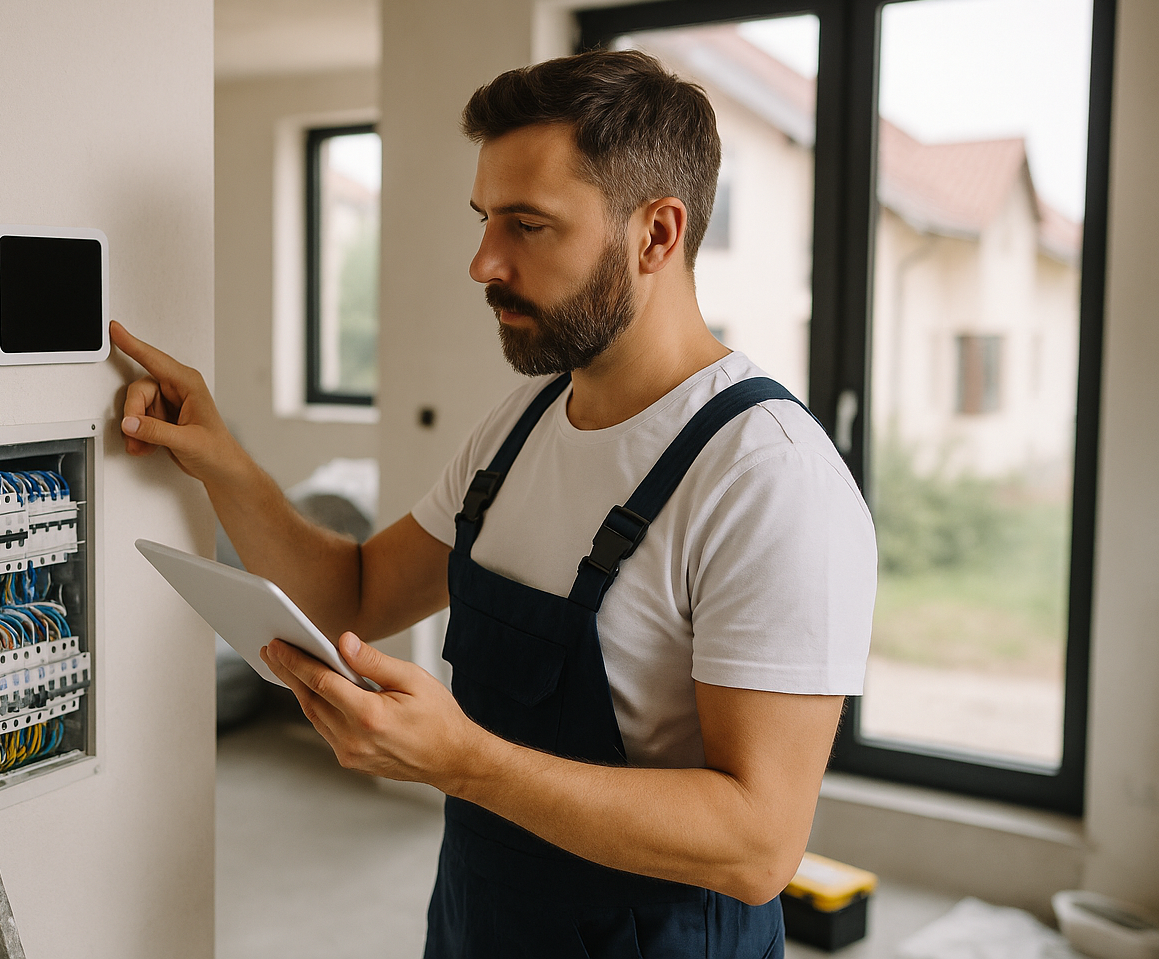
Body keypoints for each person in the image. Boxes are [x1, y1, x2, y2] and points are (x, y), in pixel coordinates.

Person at [112, 49, 875, 958]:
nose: (483, 261)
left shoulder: (768, 477)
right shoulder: (522, 424)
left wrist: (463, 762)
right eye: (484, 220)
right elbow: (356, 595)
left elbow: (759, 846)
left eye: (528, 225)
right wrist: (221, 461)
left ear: (657, 235)